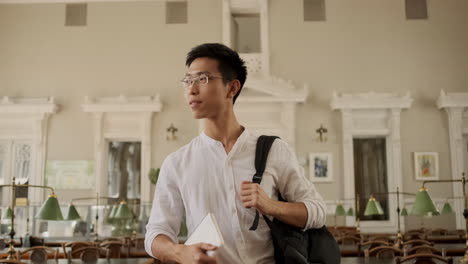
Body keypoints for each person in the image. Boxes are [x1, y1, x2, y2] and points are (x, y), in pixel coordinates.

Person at [144, 43, 326, 264]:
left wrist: (270, 206)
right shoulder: (176, 163)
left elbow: (317, 212)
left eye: (202, 79)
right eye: (187, 81)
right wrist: (180, 252)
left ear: (232, 88)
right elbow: (155, 233)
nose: (191, 89)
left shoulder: (274, 151)